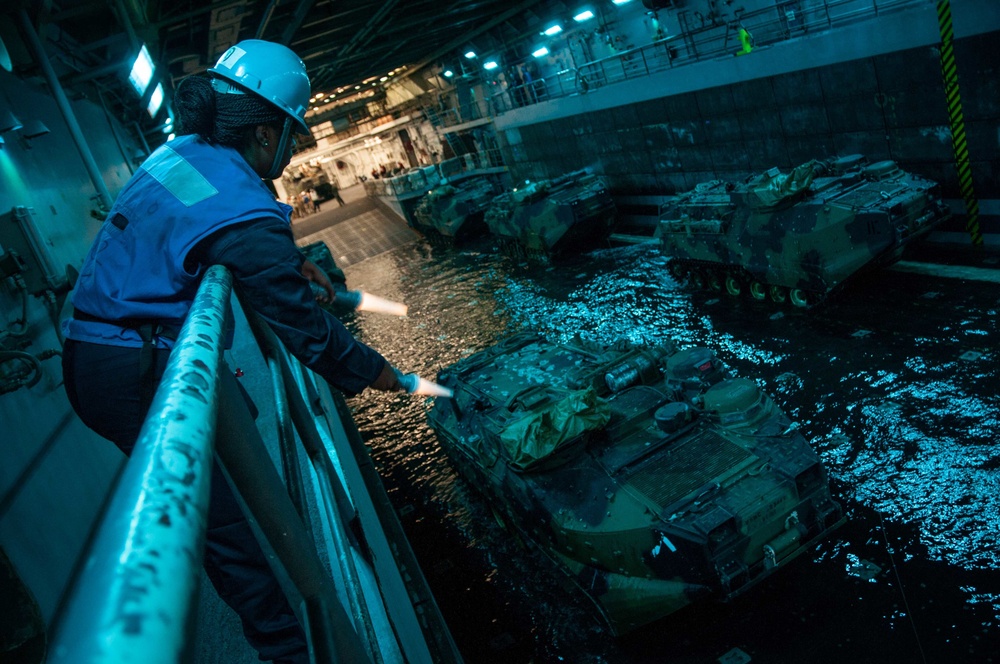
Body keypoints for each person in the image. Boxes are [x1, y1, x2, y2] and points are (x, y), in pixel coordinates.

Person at [61, 39, 403, 664]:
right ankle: (294, 649)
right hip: (130, 366)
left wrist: (294, 260)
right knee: (233, 524)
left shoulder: (187, 154)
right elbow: (303, 329)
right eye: (292, 137)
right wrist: (378, 373)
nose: (292, 150)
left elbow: (211, 232)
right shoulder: (244, 205)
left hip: (104, 347)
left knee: (238, 422)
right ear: (266, 131)